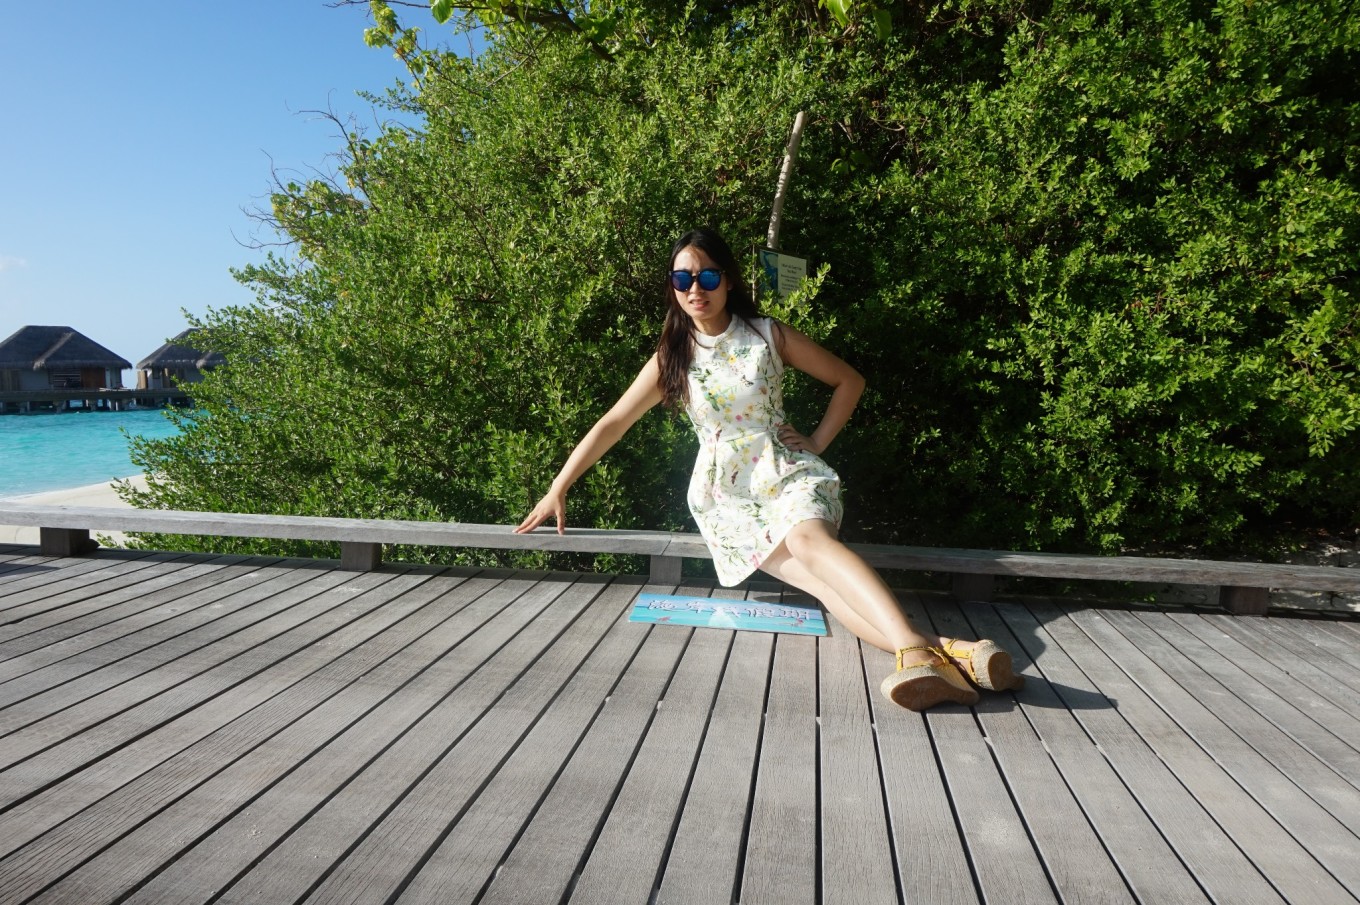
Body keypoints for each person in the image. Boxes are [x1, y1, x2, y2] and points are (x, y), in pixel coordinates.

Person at [516, 227, 1022, 711]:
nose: (696, 289)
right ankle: (955, 655)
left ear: (728, 280)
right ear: (672, 286)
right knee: (823, 587)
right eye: (683, 278)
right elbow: (613, 423)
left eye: (708, 276)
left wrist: (817, 441)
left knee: (809, 542)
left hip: (786, 471)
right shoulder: (672, 357)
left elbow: (849, 381)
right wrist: (559, 487)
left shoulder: (766, 335)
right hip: (727, 500)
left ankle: (913, 652)